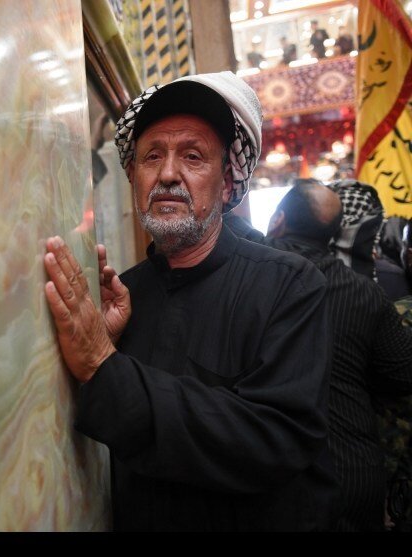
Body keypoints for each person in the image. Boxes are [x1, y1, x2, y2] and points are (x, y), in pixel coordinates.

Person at [42, 71, 338, 531]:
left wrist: (104, 365)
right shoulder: (126, 294)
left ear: (226, 183)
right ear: (133, 177)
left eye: (193, 156)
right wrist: (108, 344)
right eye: (152, 156)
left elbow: (274, 440)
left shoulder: (289, 286)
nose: (167, 174)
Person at [226, 181, 412, 531]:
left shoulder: (245, 273)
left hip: (269, 474)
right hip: (352, 475)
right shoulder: (365, 293)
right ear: (334, 233)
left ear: (278, 220)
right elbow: (402, 376)